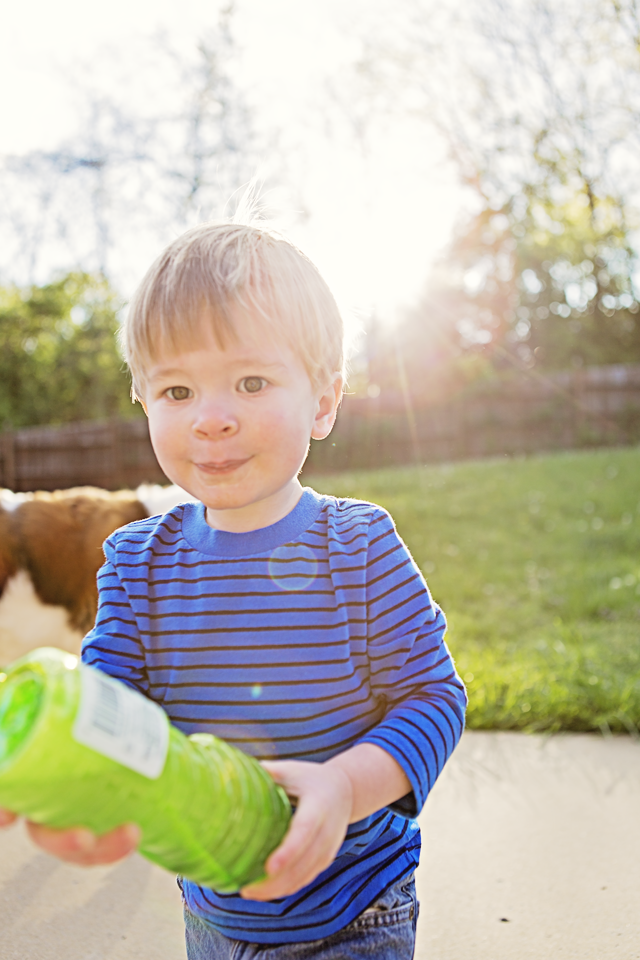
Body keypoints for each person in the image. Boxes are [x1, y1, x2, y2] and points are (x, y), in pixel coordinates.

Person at [0, 220, 467, 959]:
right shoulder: (133, 562)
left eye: (251, 382)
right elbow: (111, 718)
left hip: (357, 910)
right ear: (145, 404)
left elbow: (435, 700)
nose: (212, 418)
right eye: (177, 389)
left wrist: (344, 788)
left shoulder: (361, 546)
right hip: (214, 910)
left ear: (322, 401)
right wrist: (74, 789)